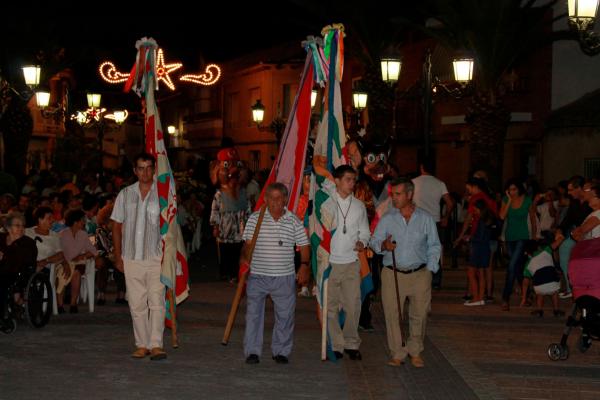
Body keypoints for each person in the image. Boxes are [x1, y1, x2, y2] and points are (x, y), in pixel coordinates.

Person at [370, 177, 441, 368]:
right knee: (392, 314)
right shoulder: (388, 218)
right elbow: (374, 241)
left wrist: (431, 269)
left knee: (419, 314)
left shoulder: (425, 218)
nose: (394, 198)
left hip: (420, 274)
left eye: (398, 194)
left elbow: (434, 245)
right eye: (393, 194)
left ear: (409, 194)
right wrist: (384, 245)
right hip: (393, 273)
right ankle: (398, 352)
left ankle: (415, 350)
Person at [241, 182, 310, 365]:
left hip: (284, 277)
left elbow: (304, 245)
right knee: (253, 315)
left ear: (285, 199)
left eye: (279, 198)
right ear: (265, 199)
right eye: (271, 198)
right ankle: (252, 352)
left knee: (285, 316)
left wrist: (304, 265)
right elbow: (247, 246)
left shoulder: (293, 220)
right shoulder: (255, 219)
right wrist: (244, 259)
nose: (275, 202)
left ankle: (281, 351)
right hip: (258, 276)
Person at [111, 153, 167, 360]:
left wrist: (169, 257)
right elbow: (116, 226)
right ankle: (142, 344)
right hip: (131, 257)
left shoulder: (162, 195)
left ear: (154, 170)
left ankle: (156, 345)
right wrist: (118, 257)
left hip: (156, 257)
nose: (145, 172)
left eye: (148, 168)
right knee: (136, 303)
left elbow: (171, 228)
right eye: (141, 168)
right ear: (135, 171)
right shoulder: (125, 195)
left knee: (157, 302)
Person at [325, 165, 370, 360]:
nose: (352, 183)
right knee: (331, 306)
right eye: (348, 179)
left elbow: (365, 231)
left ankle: (351, 342)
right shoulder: (326, 203)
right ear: (337, 180)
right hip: (331, 262)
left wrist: (363, 241)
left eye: (354, 180)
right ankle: (336, 344)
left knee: (353, 305)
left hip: (351, 261)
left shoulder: (359, 206)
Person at [412, 158, 454, 289]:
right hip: (435, 222)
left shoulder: (413, 183)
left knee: (417, 251)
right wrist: (446, 217)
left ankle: (419, 280)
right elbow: (450, 203)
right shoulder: (440, 183)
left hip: (417, 222)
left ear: (421, 167)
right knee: (434, 251)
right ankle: (435, 281)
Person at [499, 178, 537, 311]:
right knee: (518, 267)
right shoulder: (505, 199)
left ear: (519, 189)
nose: (512, 192)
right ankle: (528, 294)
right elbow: (502, 216)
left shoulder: (527, 200)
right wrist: (509, 200)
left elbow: (532, 219)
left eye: (514, 189)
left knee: (511, 266)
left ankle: (505, 297)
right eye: (510, 189)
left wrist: (533, 237)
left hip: (523, 237)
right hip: (510, 237)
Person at [0, 213, 38, 328]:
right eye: (17, 225)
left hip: (18, 274)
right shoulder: (0, 238)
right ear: (8, 227)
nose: (21, 228)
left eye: (23, 226)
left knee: (2, 282)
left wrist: (4, 256)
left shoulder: (28, 243)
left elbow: (24, 260)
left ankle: (2, 317)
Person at [58, 209, 98, 314]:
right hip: (65, 262)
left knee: (76, 273)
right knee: (62, 273)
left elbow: (94, 251)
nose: (84, 222)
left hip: (78, 263)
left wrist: (82, 256)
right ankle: (60, 304)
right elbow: (60, 251)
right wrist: (66, 261)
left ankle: (73, 303)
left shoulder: (83, 234)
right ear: (75, 222)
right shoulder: (63, 234)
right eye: (82, 220)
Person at [521, 237, 565, 318]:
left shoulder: (528, 263)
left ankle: (539, 310)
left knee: (539, 293)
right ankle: (556, 310)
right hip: (554, 284)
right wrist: (561, 236)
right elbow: (558, 242)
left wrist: (524, 298)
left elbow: (525, 282)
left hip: (539, 287)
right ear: (538, 247)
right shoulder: (546, 251)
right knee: (554, 293)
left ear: (527, 253)